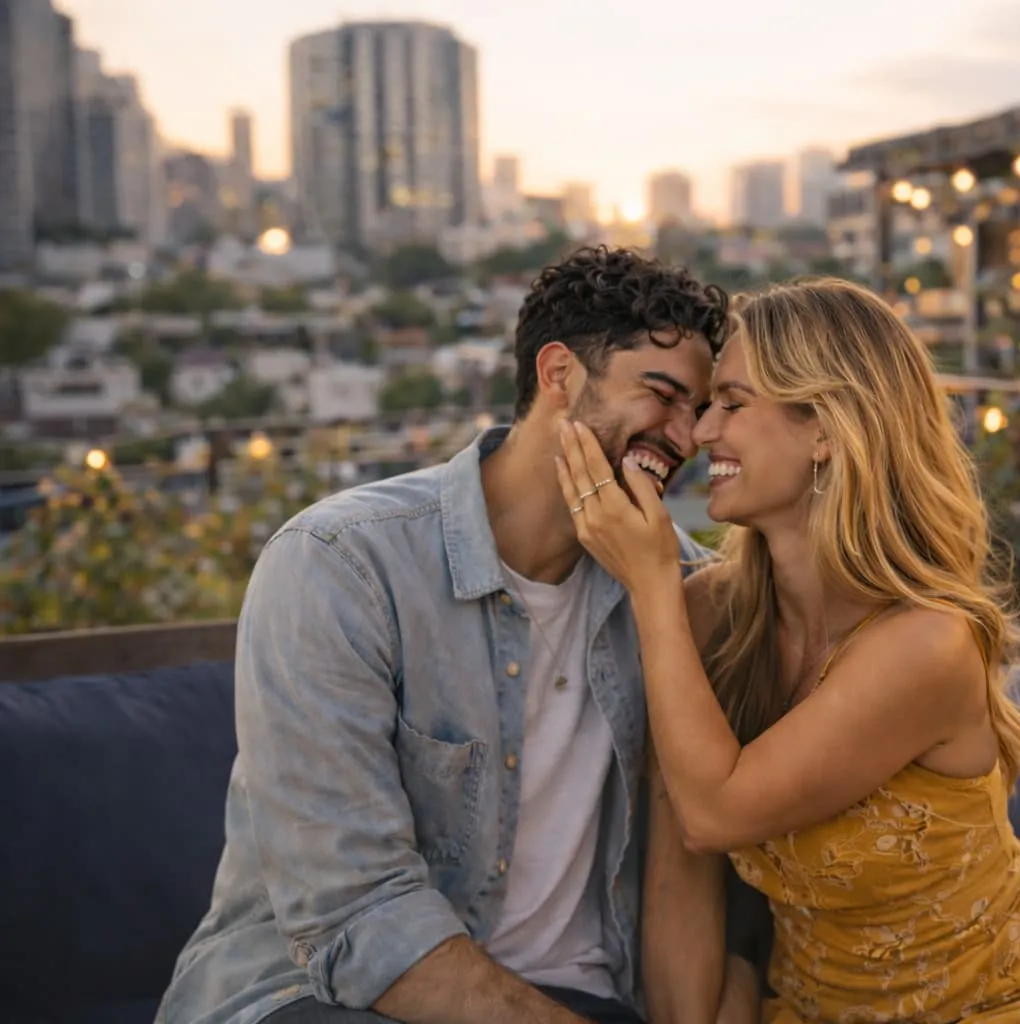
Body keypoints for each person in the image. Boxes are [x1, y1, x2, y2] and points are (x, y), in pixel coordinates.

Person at [156, 247, 757, 1024]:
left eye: (700, 408)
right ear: (558, 375)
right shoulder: (342, 566)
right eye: (661, 395)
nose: (685, 436)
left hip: (589, 995)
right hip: (326, 996)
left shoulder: (683, 592)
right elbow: (356, 915)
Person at [556, 277, 1020, 1024]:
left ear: (828, 430)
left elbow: (715, 813)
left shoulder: (925, 644)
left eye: (734, 405)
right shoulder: (707, 616)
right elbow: (682, 875)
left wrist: (648, 584)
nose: (703, 432)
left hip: (1014, 1005)